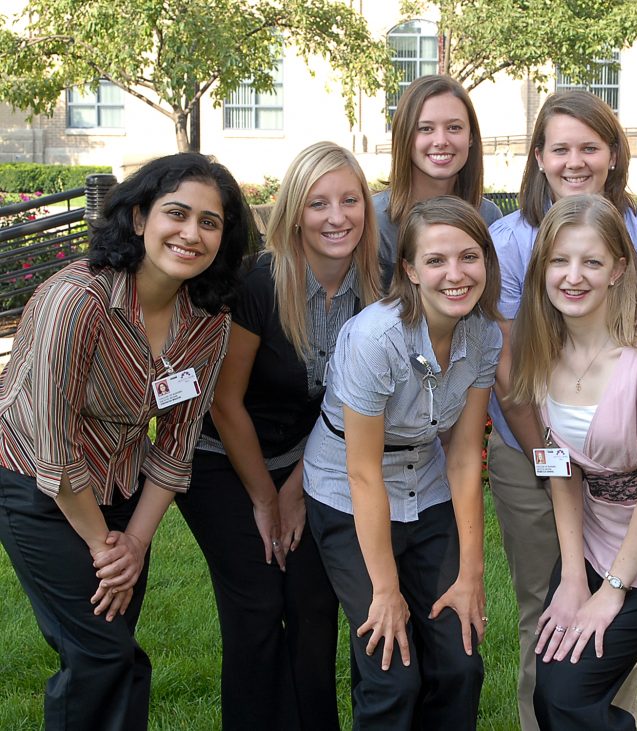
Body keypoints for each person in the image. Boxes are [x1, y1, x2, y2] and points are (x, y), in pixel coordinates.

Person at [0, 152, 254, 730]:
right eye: (176, 214)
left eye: (209, 222)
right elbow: (55, 449)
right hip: (34, 484)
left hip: (117, 486)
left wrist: (134, 543)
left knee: (112, 651)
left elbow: (177, 444)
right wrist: (103, 548)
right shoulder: (79, 300)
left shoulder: (207, 319)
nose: (191, 233)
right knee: (101, 654)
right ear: (139, 218)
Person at [175, 142, 382, 730]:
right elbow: (224, 401)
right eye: (318, 203)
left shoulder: (379, 288)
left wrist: (294, 489)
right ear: (294, 212)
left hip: (314, 457)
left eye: (349, 200)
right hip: (222, 456)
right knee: (259, 608)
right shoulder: (259, 284)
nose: (336, 216)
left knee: (314, 607)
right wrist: (266, 499)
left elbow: (354, 407)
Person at [507, 194, 637, 730]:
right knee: (552, 691)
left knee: (572, 696)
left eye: (591, 262)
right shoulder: (544, 351)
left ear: (618, 270)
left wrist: (612, 592)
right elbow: (561, 468)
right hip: (597, 536)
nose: (573, 277)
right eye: (559, 261)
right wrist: (574, 577)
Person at [488, 90, 637, 730]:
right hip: (532, 449)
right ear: (538, 158)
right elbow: (509, 367)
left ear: (614, 155)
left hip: (623, 457)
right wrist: (551, 454)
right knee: (550, 604)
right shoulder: (511, 243)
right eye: (559, 148)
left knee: (613, 607)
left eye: (590, 147)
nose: (575, 161)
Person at [303, 196, 501, 729]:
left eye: (469, 257)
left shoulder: (484, 336)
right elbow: (363, 470)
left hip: (428, 483)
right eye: (436, 260)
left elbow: (463, 456)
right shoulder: (375, 338)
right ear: (410, 270)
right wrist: (386, 591)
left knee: (460, 664)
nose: (455, 274)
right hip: (350, 492)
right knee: (392, 671)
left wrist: (471, 573)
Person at [374, 74, 502, 287]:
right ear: (404, 137)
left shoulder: (488, 217)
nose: (441, 141)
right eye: (425, 129)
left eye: (454, 128)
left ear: (470, 137)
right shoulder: (375, 221)